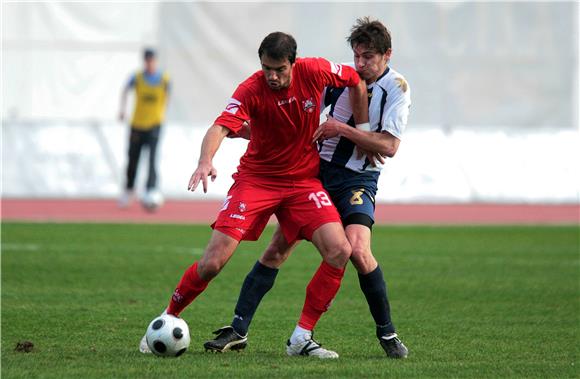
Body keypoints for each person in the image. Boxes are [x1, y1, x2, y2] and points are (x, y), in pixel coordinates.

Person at [139, 31, 369, 358]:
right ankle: (167, 317)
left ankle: (301, 338)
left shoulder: (315, 70)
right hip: (257, 180)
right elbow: (220, 127)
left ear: (294, 62)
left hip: (303, 182)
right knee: (213, 262)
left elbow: (355, 79)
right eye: (266, 69)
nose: (272, 76)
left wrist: (361, 130)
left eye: (279, 69)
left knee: (339, 251)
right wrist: (206, 161)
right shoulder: (250, 88)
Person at [204, 17, 411, 359]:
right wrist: (248, 132)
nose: (360, 65)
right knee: (277, 250)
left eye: (369, 58)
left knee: (357, 251)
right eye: (357, 56)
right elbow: (298, 115)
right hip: (316, 173)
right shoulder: (337, 77)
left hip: (358, 179)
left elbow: (388, 147)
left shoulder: (397, 88)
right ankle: (238, 329)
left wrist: (344, 130)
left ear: (387, 56)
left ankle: (386, 333)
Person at [118, 48, 170, 210]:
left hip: (154, 124)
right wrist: (122, 110)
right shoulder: (137, 77)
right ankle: (129, 189)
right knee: (133, 158)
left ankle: (151, 190)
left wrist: (162, 113)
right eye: (147, 60)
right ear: (144, 61)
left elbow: (168, 96)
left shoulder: (164, 79)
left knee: (152, 158)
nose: (150, 63)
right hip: (137, 124)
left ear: (155, 61)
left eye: (152, 60)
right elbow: (125, 90)